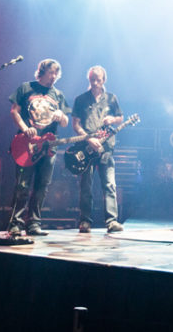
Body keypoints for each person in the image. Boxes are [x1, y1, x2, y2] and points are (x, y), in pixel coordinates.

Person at [8, 59, 70, 237]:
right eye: (51, 72)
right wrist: (25, 128)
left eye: (56, 73)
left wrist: (60, 116)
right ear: (42, 71)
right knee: (22, 185)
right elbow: (14, 111)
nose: (54, 77)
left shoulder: (58, 94)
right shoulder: (26, 88)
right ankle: (16, 224)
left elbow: (66, 122)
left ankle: (33, 223)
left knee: (42, 185)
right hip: (27, 144)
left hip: (48, 146)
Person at [72, 65, 124, 234]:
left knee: (109, 185)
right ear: (89, 79)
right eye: (92, 79)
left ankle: (112, 221)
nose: (95, 83)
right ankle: (85, 221)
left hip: (106, 148)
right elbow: (76, 124)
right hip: (86, 148)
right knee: (86, 186)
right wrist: (88, 138)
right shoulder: (80, 99)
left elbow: (121, 118)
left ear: (104, 80)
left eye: (98, 79)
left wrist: (113, 119)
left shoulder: (111, 98)